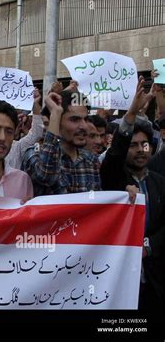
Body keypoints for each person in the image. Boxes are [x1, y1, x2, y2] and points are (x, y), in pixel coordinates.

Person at [100, 76, 164, 311]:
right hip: (119, 281)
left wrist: (148, 247)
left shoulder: (160, 183)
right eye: (134, 145)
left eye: (144, 145)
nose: (140, 150)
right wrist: (130, 115)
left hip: (155, 283)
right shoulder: (114, 179)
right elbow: (114, 156)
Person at [22, 90, 101, 196]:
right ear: (56, 121)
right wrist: (55, 113)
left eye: (86, 119)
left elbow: (98, 202)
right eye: (75, 119)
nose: (84, 126)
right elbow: (46, 176)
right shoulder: (34, 154)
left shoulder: (91, 160)